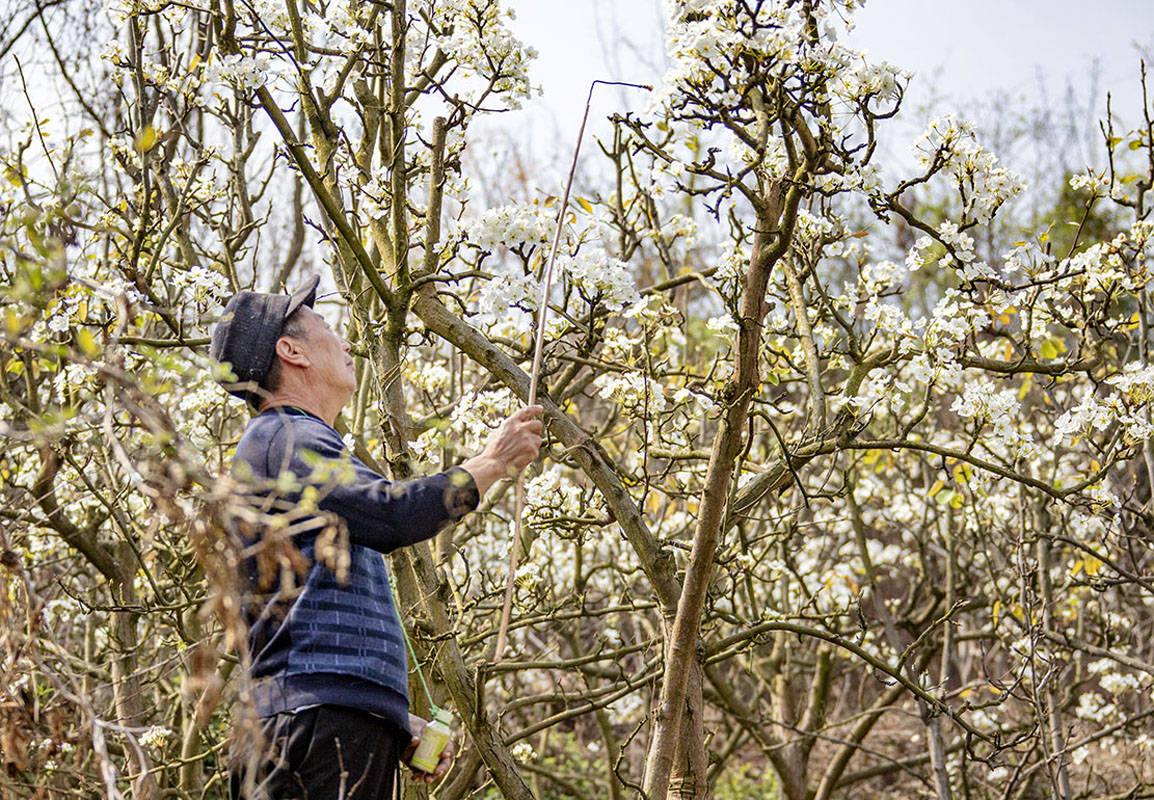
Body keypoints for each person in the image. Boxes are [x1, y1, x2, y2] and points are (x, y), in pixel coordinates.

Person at [210, 276, 542, 799]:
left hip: (323, 725)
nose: (345, 342)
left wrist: (387, 715)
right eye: (326, 328)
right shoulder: (286, 435)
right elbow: (391, 515)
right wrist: (491, 463)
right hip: (312, 731)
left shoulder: (292, 443)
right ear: (290, 350)